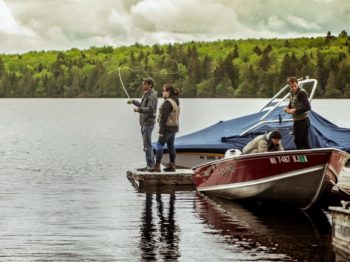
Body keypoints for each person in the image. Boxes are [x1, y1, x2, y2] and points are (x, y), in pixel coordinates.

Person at [128, 77, 158, 171]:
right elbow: (143, 105)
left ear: (150, 85)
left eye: (145, 84)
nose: (143, 85)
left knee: (147, 145)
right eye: (143, 83)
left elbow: (150, 109)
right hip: (144, 123)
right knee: (146, 144)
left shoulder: (152, 95)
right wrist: (134, 102)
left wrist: (139, 110)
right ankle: (149, 164)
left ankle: (151, 165)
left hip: (148, 123)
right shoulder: (146, 95)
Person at [150, 84, 180, 172]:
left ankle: (157, 166)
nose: (162, 92)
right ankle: (172, 165)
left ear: (168, 92)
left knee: (159, 145)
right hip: (174, 127)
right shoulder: (176, 100)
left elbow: (163, 118)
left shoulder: (167, 103)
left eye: (163, 90)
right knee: (171, 146)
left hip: (167, 128)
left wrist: (161, 131)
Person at [284, 77, 311, 149]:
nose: (293, 88)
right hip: (299, 120)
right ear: (289, 86)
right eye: (292, 86)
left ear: (297, 84)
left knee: (298, 141)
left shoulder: (301, 93)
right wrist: (287, 108)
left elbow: (308, 107)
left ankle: (302, 159)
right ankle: (309, 159)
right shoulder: (292, 93)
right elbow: (291, 103)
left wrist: (294, 110)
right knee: (304, 141)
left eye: (295, 86)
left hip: (302, 121)